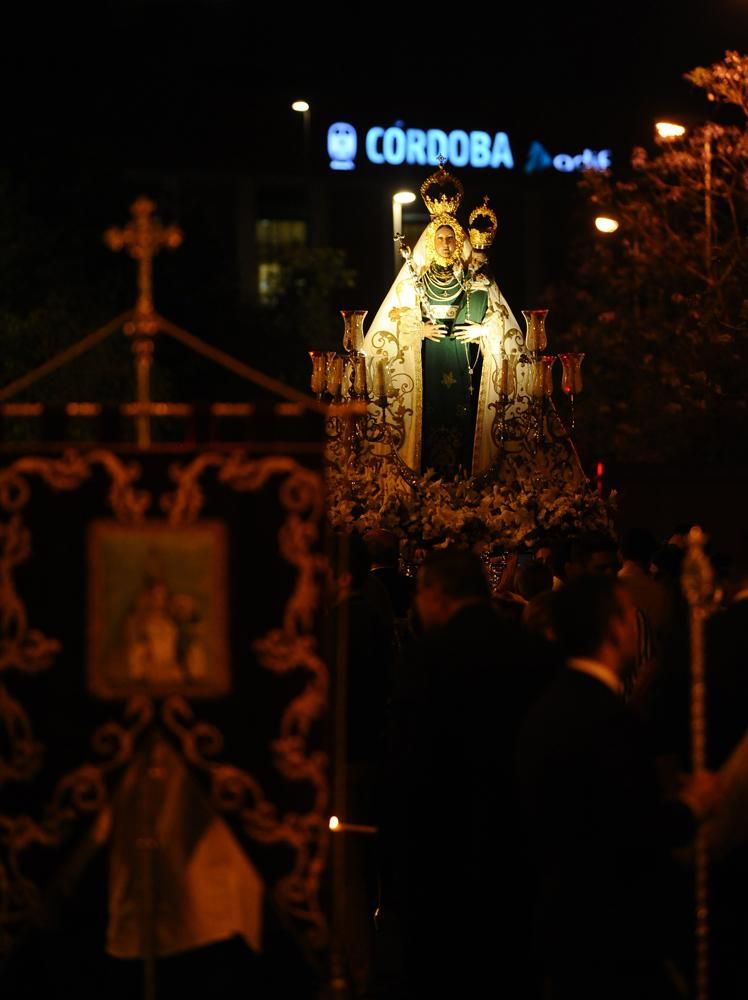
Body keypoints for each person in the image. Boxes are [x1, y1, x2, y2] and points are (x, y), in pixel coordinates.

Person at [516, 575, 720, 1000]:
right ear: (611, 628)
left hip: (557, 920)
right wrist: (689, 806)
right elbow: (629, 832)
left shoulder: (547, 707)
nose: (636, 628)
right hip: (609, 933)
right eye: (629, 618)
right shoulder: (609, 718)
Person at [363, 163, 523, 479]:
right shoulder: (416, 279)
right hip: (429, 356)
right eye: (441, 238)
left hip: (461, 356)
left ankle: (464, 476)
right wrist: (418, 328)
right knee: (430, 417)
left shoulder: (474, 279)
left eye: (451, 238)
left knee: (462, 415)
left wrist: (482, 330)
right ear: (432, 243)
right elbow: (399, 318)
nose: (447, 244)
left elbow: (496, 318)